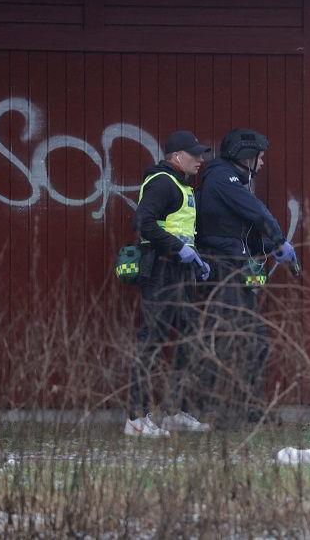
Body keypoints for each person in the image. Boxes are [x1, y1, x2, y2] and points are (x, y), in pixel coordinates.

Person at [194, 128, 298, 426]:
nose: (262, 163)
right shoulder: (222, 179)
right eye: (260, 157)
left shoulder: (230, 182)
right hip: (223, 269)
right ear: (246, 156)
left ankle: (252, 408)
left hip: (235, 266)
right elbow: (256, 212)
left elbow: (239, 234)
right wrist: (278, 239)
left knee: (254, 340)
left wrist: (269, 248)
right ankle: (223, 412)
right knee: (230, 339)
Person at [126, 130, 213, 437]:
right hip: (161, 272)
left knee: (188, 341)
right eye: (195, 154)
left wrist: (196, 260)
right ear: (177, 156)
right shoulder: (163, 182)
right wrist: (179, 249)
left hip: (180, 273)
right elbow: (143, 223)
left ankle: (176, 411)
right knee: (151, 343)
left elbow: (181, 230)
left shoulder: (180, 184)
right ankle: (136, 419)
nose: (201, 160)